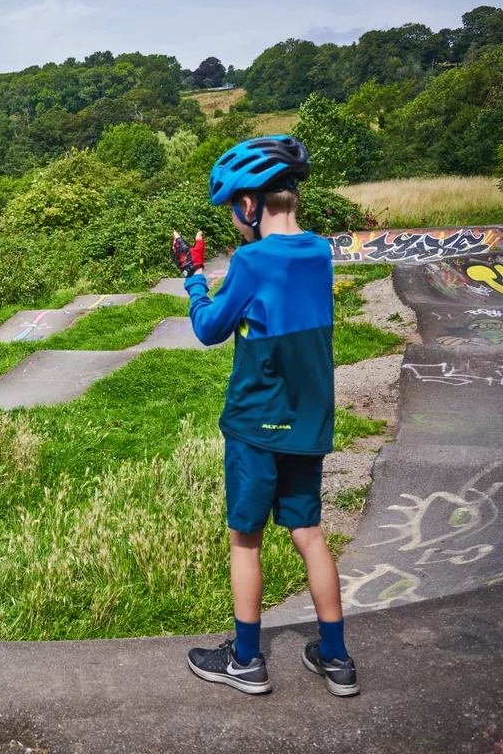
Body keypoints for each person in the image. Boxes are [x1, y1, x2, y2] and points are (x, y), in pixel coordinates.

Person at [170, 135, 358, 697]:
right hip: (310, 422)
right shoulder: (320, 251)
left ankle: (247, 660)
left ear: (250, 205)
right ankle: (336, 657)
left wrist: (194, 276)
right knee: (308, 531)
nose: (233, 219)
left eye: (233, 208)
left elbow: (209, 329)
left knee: (245, 539)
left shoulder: (251, 259)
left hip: (256, 424)